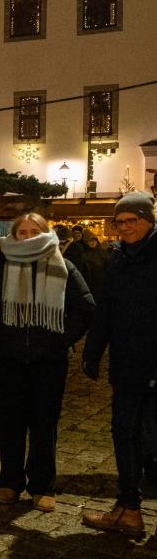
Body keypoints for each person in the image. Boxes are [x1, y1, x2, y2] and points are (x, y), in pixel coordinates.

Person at [0, 212, 94, 513]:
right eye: (21, 232)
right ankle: (9, 482)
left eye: (33, 231)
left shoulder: (63, 265)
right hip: (9, 360)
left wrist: (61, 339)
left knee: (44, 425)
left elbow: (86, 307)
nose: (27, 237)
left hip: (48, 362)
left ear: (45, 233)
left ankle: (42, 485)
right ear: (14, 235)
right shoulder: (1, 268)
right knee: (10, 423)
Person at [81, 192, 157, 538]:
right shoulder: (119, 258)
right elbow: (106, 311)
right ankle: (128, 508)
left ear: (148, 220)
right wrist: (93, 352)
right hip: (127, 366)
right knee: (124, 435)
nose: (125, 227)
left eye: (132, 220)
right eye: (120, 222)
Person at [75, 229, 109, 300]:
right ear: (87, 242)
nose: (93, 243)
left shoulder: (102, 253)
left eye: (94, 241)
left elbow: (107, 266)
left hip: (100, 282)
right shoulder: (84, 254)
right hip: (88, 282)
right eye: (90, 241)